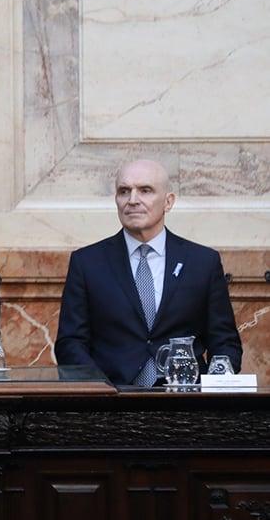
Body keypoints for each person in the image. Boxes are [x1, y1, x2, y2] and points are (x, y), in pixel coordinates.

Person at [55, 159, 241, 385]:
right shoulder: (87, 263)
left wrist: (215, 389)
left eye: (145, 190)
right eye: (124, 191)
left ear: (168, 202)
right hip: (110, 404)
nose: (133, 200)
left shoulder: (202, 262)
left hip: (187, 404)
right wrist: (101, 392)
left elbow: (225, 342)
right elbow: (70, 343)